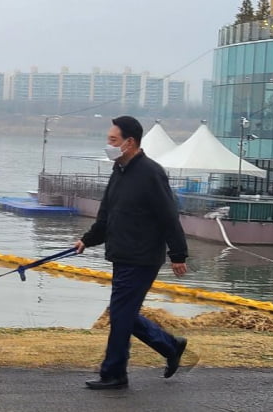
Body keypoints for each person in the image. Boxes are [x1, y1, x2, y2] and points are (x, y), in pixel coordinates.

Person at [75, 116, 189, 390]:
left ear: (130, 142)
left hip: (143, 257)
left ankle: (114, 373)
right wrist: (87, 240)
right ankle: (170, 345)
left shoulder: (151, 173)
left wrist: (178, 254)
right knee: (122, 313)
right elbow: (107, 215)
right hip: (121, 254)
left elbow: (168, 216)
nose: (109, 145)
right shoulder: (119, 170)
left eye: (113, 140)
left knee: (121, 314)